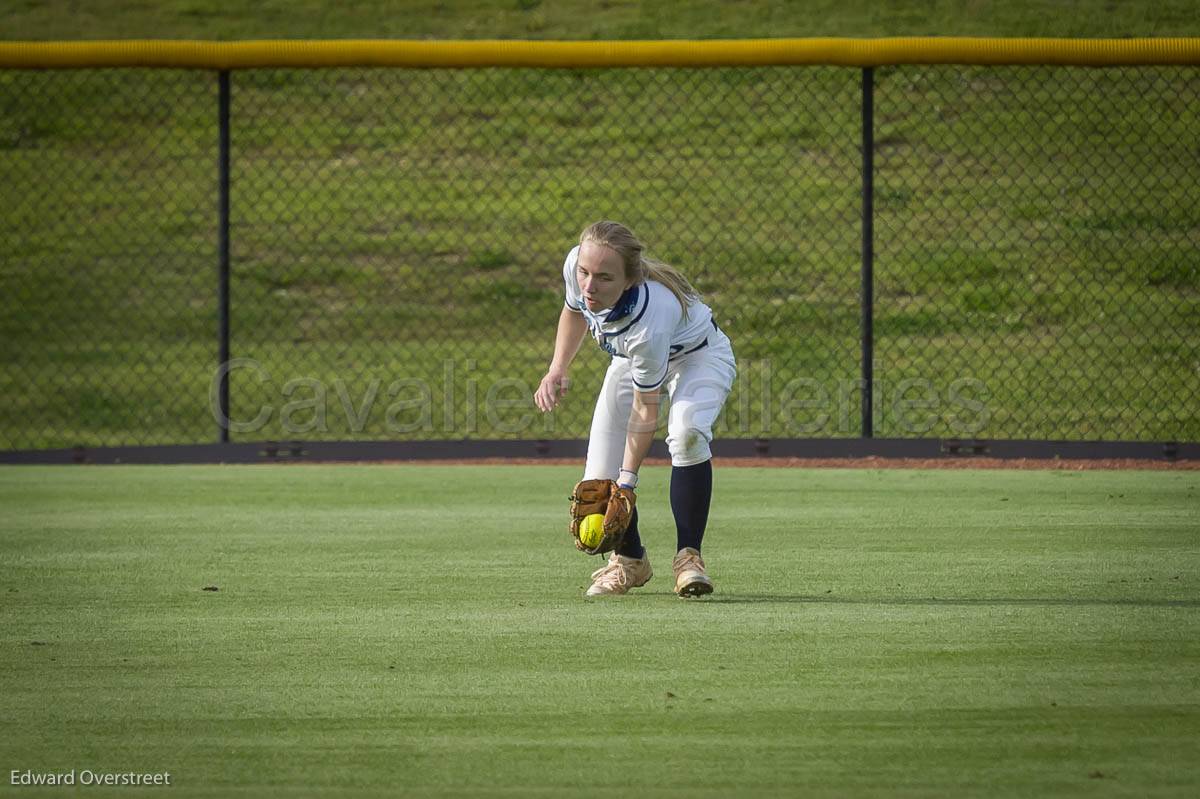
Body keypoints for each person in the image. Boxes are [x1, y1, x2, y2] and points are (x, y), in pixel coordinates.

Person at [534, 221, 737, 597]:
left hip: (698, 357)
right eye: (585, 273)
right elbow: (574, 310)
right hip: (633, 360)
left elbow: (646, 410)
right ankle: (630, 561)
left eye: (604, 278)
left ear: (629, 280)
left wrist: (628, 481)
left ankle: (689, 558)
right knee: (598, 480)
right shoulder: (578, 265)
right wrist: (557, 368)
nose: (590, 286)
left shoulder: (651, 315)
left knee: (687, 433)